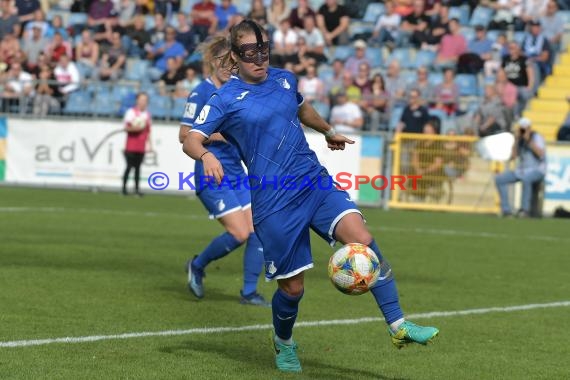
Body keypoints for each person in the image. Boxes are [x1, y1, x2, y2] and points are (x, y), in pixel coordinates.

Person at [182, 20, 439, 374]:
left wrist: (328, 129)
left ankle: (398, 326)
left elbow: (301, 108)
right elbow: (190, 138)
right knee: (292, 289)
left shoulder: (285, 79)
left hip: (313, 183)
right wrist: (206, 155)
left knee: (363, 240)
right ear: (235, 56)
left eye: (264, 49)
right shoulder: (224, 98)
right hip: (274, 201)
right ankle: (284, 341)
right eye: (249, 52)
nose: (259, 58)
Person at [178, 36, 269, 306]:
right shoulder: (201, 92)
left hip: (237, 173)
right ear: (212, 63)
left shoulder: (236, 92)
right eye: (224, 63)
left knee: (257, 229)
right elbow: (184, 135)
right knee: (240, 233)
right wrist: (218, 136)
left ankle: (249, 292)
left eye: (233, 63)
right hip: (212, 174)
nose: (229, 68)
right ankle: (197, 264)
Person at [495, 117, 546, 218]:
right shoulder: (519, 140)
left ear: (530, 128)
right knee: (499, 179)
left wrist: (528, 140)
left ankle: (524, 210)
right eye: (521, 128)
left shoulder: (537, 137)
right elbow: (513, 157)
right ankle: (506, 210)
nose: (523, 131)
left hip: (537, 170)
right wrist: (516, 140)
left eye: (525, 129)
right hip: (521, 170)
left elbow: (540, 154)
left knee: (526, 179)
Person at [122, 92, 152, 196]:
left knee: (138, 168)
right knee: (129, 167)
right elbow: (126, 127)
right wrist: (136, 128)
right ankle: (124, 189)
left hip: (141, 146)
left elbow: (148, 131)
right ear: (137, 100)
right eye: (141, 99)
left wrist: (150, 145)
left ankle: (136, 189)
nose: (143, 102)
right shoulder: (131, 112)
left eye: (145, 100)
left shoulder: (147, 114)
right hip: (131, 145)